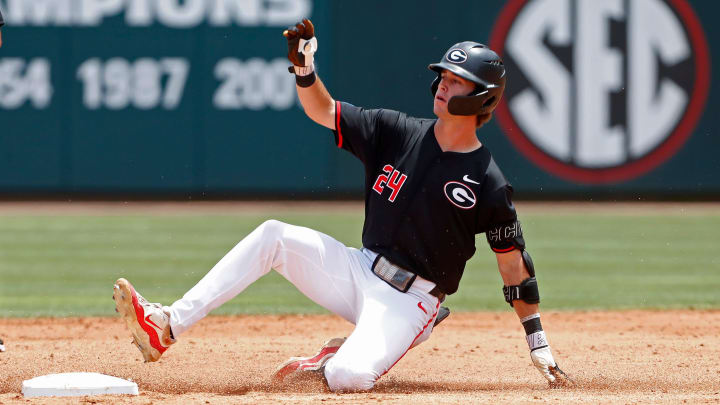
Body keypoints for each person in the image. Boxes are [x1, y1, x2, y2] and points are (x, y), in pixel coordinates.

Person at [113, 18, 572, 392]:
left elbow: (514, 265)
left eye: (456, 82)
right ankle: (166, 324)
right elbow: (323, 110)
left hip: (411, 301)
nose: (442, 86)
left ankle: (341, 354)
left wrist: (537, 342)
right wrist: (304, 72)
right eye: (444, 77)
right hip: (357, 268)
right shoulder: (396, 131)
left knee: (347, 377)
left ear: (480, 97)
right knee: (273, 234)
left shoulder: (488, 181)